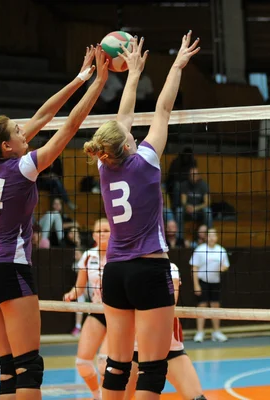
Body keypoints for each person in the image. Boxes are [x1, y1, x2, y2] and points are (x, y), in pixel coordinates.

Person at [0, 45, 107, 399]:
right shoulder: (23, 167)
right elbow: (70, 125)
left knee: (8, 368)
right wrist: (99, 83)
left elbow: (44, 114)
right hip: (11, 271)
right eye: (18, 130)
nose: (24, 131)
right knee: (30, 366)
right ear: (8, 145)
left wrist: (80, 77)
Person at [83, 33, 200, 399]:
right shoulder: (146, 161)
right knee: (152, 367)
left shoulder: (105, 169)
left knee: (117, 365)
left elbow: (124, 115)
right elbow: (162, 110)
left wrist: (133, 74)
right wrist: (177, 66)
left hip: (114, 271)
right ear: (127, 143)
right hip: (149, 269)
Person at [125, 262, 207, 400]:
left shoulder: (170, 267)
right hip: (135, 349)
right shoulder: (126, 268)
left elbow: (170, 301)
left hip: (170, 348)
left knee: (197, 398)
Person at [64, 218, 111, 400]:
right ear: (93, 235)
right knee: (82, 362)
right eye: (99, 231)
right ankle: (96, 395)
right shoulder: (88, 256)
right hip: (97, 310)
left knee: (105, 363)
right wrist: (71, 294)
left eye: (106, 230)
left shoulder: (121, 255)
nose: (102, 234)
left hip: (118, 313)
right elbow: (79, 287)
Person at [190, 227, 230, 343]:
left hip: (215, 282)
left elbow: (226, 265)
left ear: (217, 237)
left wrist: (223, 268)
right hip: (203, 281)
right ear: (206, 237)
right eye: (210, 235)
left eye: (214, 235)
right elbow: (194, 268)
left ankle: (216, 332)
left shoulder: (221, 250)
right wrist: (196, 285)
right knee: (202, 306)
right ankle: (200, 332)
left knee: (215, 306)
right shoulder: (200, 250)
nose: (212, 238)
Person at [175, 167, 213, 240]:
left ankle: (209, 236)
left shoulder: (203, 185)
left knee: (208, 211)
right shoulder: (184, 185)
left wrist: (196, 208)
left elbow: (207, 202)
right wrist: (187, 206)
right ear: (189, 176)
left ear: (198, 175)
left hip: (199, 210)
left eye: (195, 174)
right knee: (179, 211)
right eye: (192, 175)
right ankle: (179, 238)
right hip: (187, 209)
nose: (193, 176)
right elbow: (183, 201)